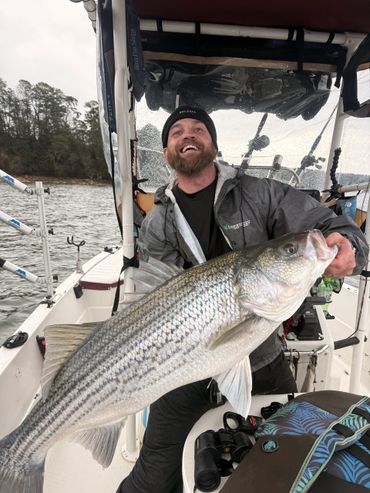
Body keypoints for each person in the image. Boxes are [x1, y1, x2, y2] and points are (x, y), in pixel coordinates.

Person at [116, 106, 368, 493]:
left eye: (198, 129)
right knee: (150, 479)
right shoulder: (157, 222)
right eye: (176, 132)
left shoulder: (260, 193)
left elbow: (327, 223)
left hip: (261, 354)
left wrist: (348, 243)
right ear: (167, 151)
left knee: (297, 453)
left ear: (213, 145)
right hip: (185, 366)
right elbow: (156, 298)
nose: (188, 136)